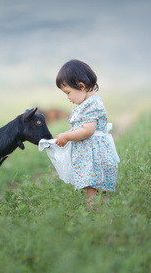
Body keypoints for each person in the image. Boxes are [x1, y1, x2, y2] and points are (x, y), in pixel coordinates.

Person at [39, 59, 120, 208]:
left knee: (91, 192)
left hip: (93, 158)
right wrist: (65, 134)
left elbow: (88, 130)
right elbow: (79, 127)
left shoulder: (91, 104)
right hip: (91, 156)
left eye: (68, 92)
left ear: (81, 86)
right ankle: (107, 218)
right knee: (97, 192)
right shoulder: (87, 104)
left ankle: (93, 219)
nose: (68, 97)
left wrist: (67, 136)